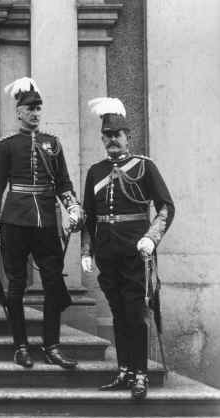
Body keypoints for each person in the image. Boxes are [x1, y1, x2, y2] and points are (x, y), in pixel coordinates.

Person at [82, 97, 175, 400]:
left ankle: (141, 374)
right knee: (119, 312)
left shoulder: (145, 167)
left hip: (137, 251)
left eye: (117, 135)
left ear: (127, 136)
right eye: (107, 136)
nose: (112, 140)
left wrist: (152, 236)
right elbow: (89, 216)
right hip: (107, 252)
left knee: (136, 313)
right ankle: (124, 371)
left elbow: (166, 207)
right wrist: (86, 251)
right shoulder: (95, 171)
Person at [0, 77, 82, 368]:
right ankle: (21, 346)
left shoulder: (53, 144)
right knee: (16, 285)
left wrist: (73, 208)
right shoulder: (7, 145)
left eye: (38, 108)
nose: (35, 113)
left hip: (46, 223)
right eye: (29, 108)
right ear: (18, 112)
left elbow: (63, 183)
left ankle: (52, 346)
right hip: (14, 221)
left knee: (53, 284)